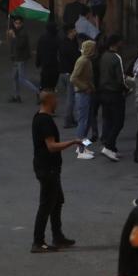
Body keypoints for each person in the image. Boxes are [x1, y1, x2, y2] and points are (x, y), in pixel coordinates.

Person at [31, 91, 83, 253]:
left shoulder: (38, 117)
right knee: (46, 205)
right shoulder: (45, 121)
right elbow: (52, 146)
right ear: (49, 100)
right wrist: (73, 142)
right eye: (55, 99)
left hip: (47, 167)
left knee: (57, 201)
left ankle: (58, 236)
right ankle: (38, 242)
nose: (57, 102)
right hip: (48, 169)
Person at [97, 34, 129, 161]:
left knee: (109, 120)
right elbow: (121, 79)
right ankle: (108, 146)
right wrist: (127, 88)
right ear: (116, 43)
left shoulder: (104, 56)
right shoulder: (117, 57)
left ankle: (112, 148)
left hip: (103, 92)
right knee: (118, 122)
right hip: (115, 93)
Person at [71, 39, 98, 158]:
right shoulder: (83, 61)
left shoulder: (86, 60)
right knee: (83, 121)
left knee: (86, 122)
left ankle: (82, 146)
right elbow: (73, 78)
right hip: (82, 94)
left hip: (86, 93)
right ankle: (80, 150)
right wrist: (85, 87)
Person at [7, 16, 36, 103]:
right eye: (16, 23)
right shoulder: (15, 31)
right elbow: (12, 45)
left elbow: (20, 45)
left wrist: (13, 36)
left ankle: (38, 92)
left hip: (21, 58)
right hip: (16, 58)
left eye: (19, 23)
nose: (17, 25)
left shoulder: (23, 33)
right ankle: (16, 96)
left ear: (22, 24)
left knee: (22, 78)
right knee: (14, 77)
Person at [59, 24, 81, 128]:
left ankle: (71, 119)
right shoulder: (70, 45)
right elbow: (75, 57)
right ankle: (68, 120)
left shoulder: (65, 42)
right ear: (70, 32)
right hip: (69, 73)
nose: (76, 32)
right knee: (70, 98)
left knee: (70, 97)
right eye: (74, 30)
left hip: (63, 72)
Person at [36, 22, 61, 94]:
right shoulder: (57, 38)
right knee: (52, 79)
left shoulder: (43, 37)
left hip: (45, 63)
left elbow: (39, 51)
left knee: (45, 79)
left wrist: (38, 62)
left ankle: (43, 92)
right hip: (54, 63)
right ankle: (49, 91)